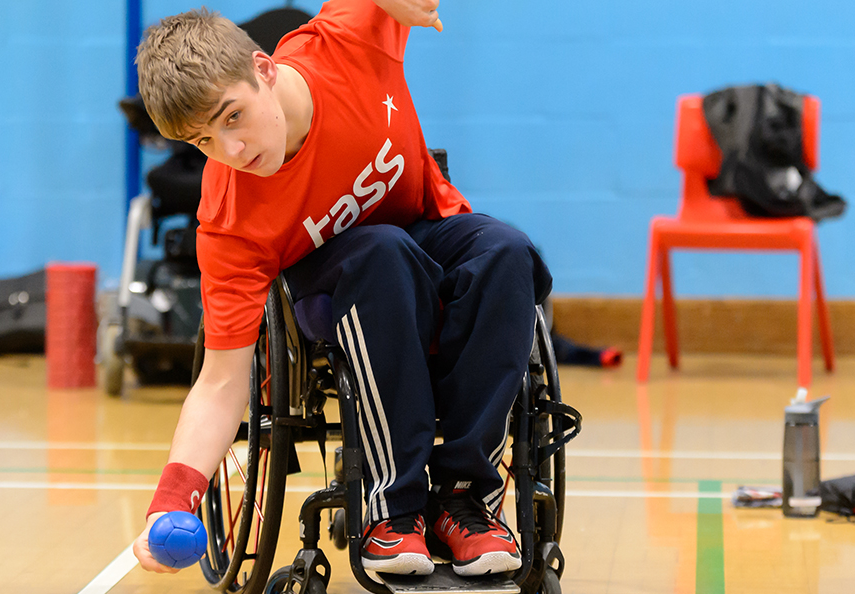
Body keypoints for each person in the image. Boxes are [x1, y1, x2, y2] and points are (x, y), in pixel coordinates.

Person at [131, 0, 552, 578]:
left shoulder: (346, 42)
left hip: (423, 234)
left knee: (506, 251)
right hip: (336, 282)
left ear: (265, 69)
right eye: (204, 142)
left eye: (232, 117)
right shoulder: (229, 218)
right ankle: (394, 508)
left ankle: (464, 501)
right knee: (381, 253)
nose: (231, 151)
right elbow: (221, 380)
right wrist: (170, 502)